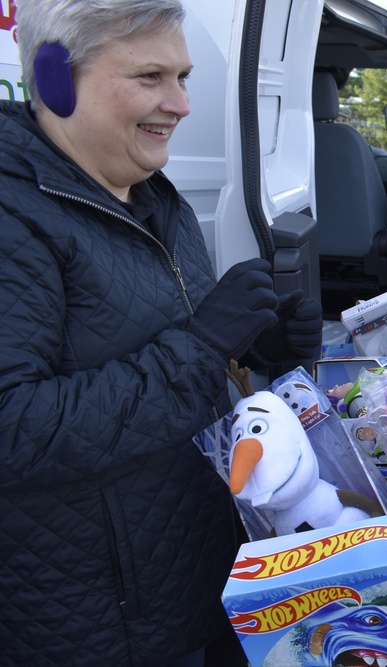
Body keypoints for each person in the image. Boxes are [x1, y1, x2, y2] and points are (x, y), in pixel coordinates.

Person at [0, 1, 322, 664]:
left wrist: (261, 349)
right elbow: (13, 425)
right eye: (150, 78)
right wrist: (201, 347)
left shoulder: (153, 193)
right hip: (99, 625)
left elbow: (159, 350)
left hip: (201, 583)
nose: (180, 103)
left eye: (183, 76)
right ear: (54, 77)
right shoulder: (13, 216)